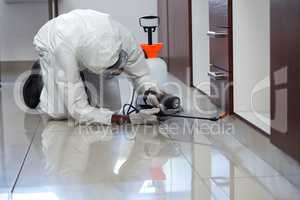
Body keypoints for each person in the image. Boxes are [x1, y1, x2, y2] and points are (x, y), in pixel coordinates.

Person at [23, 9, 162, 125]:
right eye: (111, 71)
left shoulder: (123, 37)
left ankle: (80, 81)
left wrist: (150, 92)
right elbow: (78, 111)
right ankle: (41, 75)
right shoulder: (62, 49)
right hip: (52, 43)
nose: (119, 72)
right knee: (60, 112)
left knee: (111, 107)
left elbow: (142, 75)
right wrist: (128, 119)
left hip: (82, 44)